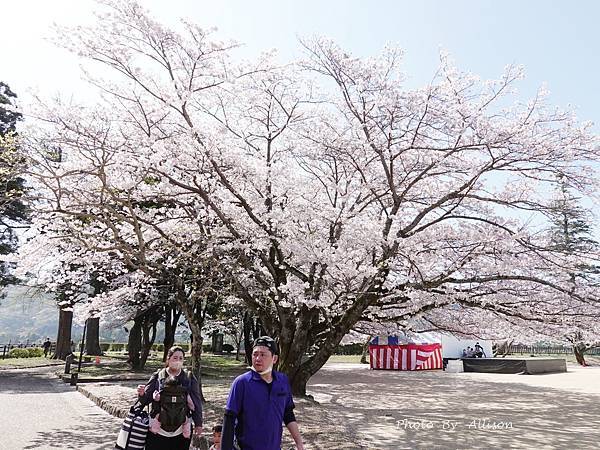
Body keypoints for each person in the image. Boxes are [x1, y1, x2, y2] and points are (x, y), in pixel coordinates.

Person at [221, 336, 304, 450]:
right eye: (255, 354)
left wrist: (299, 443)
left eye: (263, 355)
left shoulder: (282, 381)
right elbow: (229, 418)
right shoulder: (242, 382)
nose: (257, 359)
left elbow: (288, 413)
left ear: (274, 359)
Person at [137, 345, 203, 450]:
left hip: (181, 431)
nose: (178, 361)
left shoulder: (188, 377)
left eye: (181, 358)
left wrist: (198, 423)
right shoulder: (158, 375)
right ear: (168, 359)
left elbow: (196, 402)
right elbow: (145, 399)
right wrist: (141, 394)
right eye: (175, 358)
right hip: (158, 430)